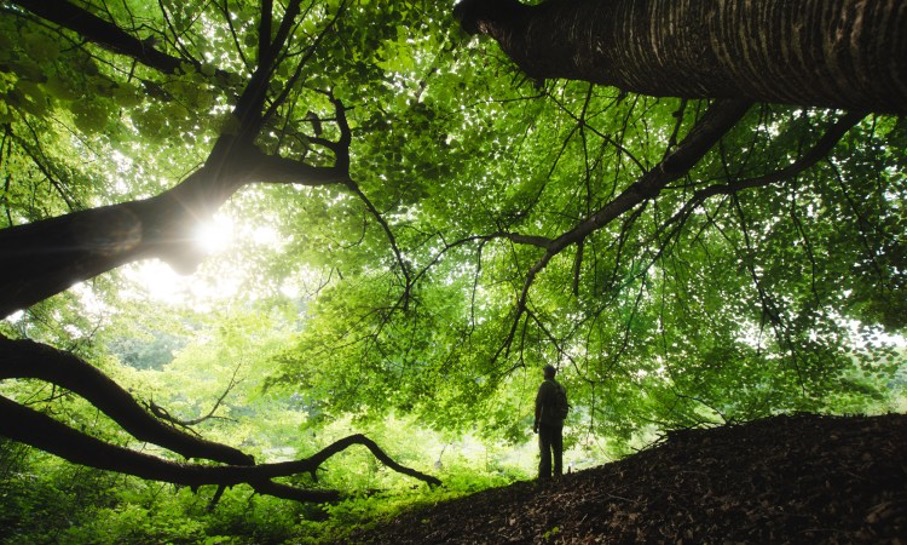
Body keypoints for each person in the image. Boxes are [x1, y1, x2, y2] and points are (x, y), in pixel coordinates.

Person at [533, 364, 566, 480]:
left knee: (545, 449)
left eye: (544, 372)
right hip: (558, 423)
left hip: (546, 422)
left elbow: (538, 404)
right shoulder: (561, 387)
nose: (543, 374)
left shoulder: (545, 385)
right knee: (557, 449)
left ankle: (544, 477)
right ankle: (558, 474)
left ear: (547, 373)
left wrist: (536, 422)